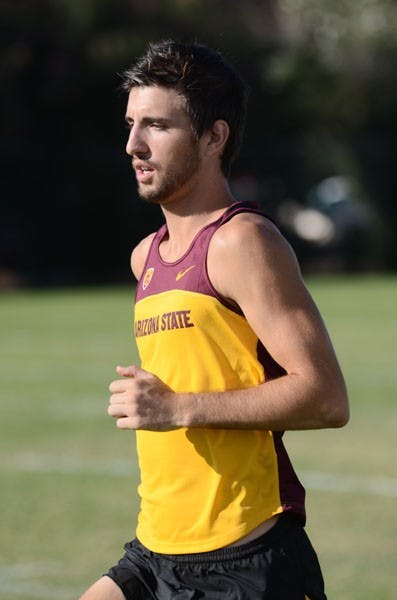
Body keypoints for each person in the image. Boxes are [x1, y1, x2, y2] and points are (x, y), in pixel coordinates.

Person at [79, 40, 349, 600]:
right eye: (131, 124)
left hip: (243, 562)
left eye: (157, 125)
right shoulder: (144, 257)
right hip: (156, 551)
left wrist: (180, 408)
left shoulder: (241, 242)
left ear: (213, 137)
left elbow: (326, 397)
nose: (134, 145)